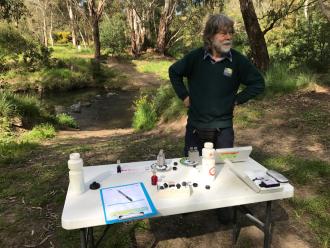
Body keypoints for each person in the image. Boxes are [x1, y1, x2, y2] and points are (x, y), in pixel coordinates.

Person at [169, 14, 265, 156]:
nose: (228, 37)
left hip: (223, 129)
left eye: (230, 33)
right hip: (195, 127)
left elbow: (258, 83)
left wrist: (237, 99)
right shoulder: (195, 57)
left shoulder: (238, 61)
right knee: (192, 169)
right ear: (210, 36)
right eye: (223, 33)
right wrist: (184, 96)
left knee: (223, 169)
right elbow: (174, 71)